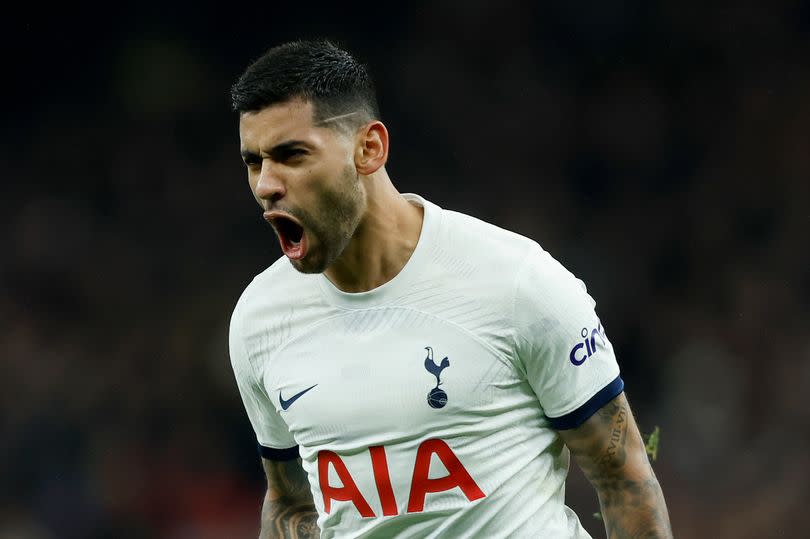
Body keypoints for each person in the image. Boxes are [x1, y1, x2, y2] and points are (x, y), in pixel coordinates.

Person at [227, 39, 673, 539]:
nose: (266, 184)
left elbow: (624, 479)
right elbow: (291, 504)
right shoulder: (260, 321)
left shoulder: (516, 282)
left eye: (291, 155)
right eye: (254, 162)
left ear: (369, 149)